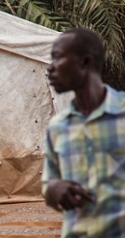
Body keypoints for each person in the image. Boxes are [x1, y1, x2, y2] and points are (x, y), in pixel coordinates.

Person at [43, 28, 125, 237]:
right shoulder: (58, 126)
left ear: (85, 62)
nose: (50, 68)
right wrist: (54, 190)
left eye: (57, 58)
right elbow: (49, 183)